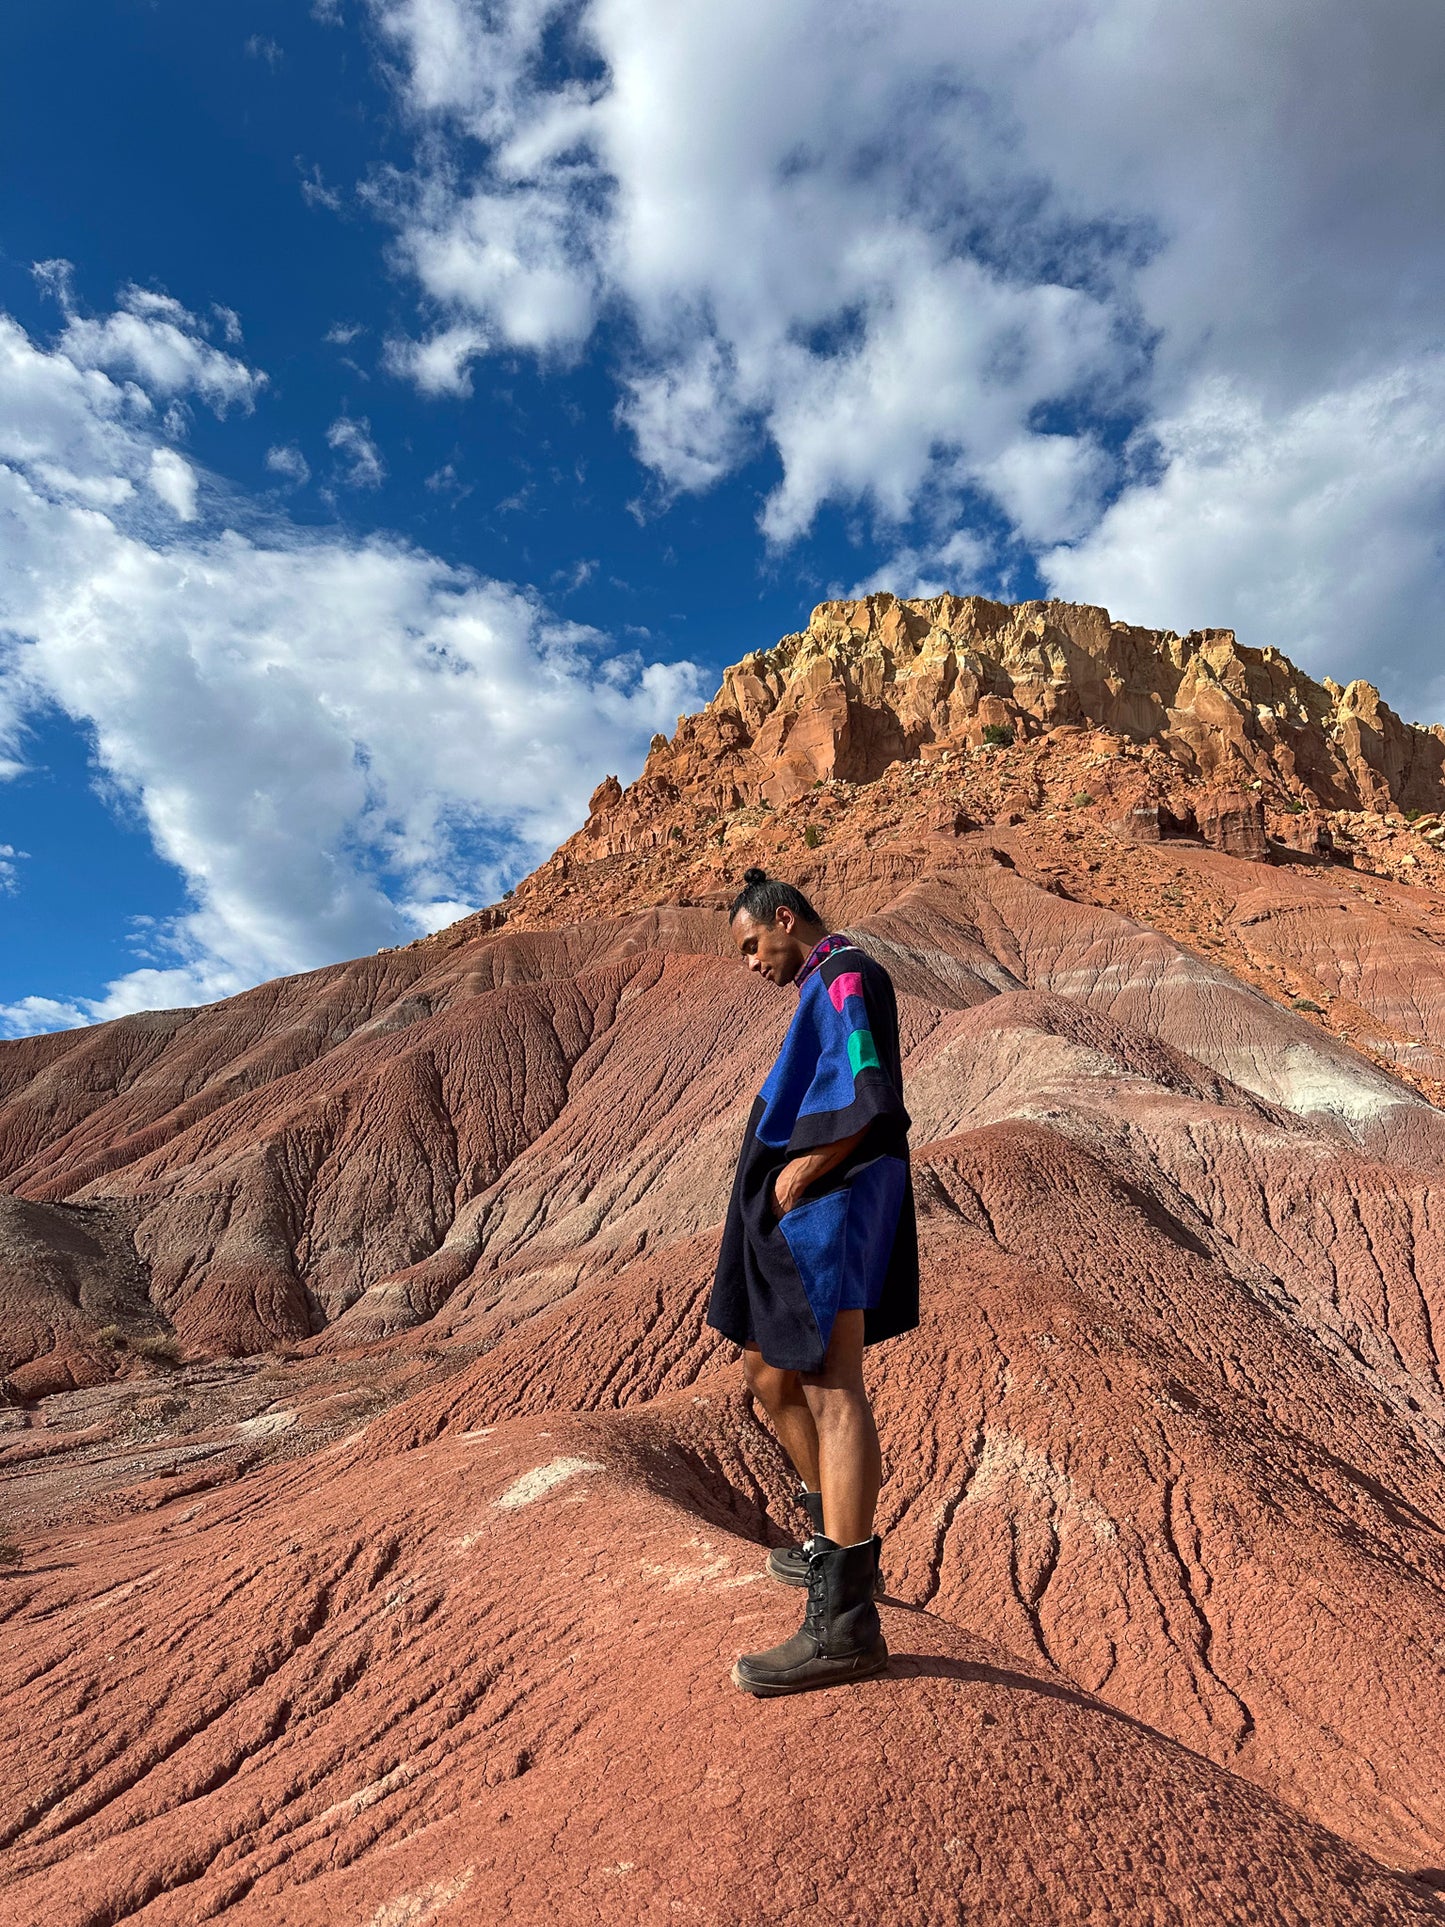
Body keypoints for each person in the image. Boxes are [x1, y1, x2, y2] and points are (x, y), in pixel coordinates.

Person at [708, 867, 919, 1695]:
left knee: (833, 1385)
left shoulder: (846, 977)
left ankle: (844, 1622)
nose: (750, 964)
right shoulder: (818, 984)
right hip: (804, 1204)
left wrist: (811, 1168)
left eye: (753, 945)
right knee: (767, 1368)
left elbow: (872, 1093)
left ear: (785, 920)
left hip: (834, 1199)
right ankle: (829, 1519)